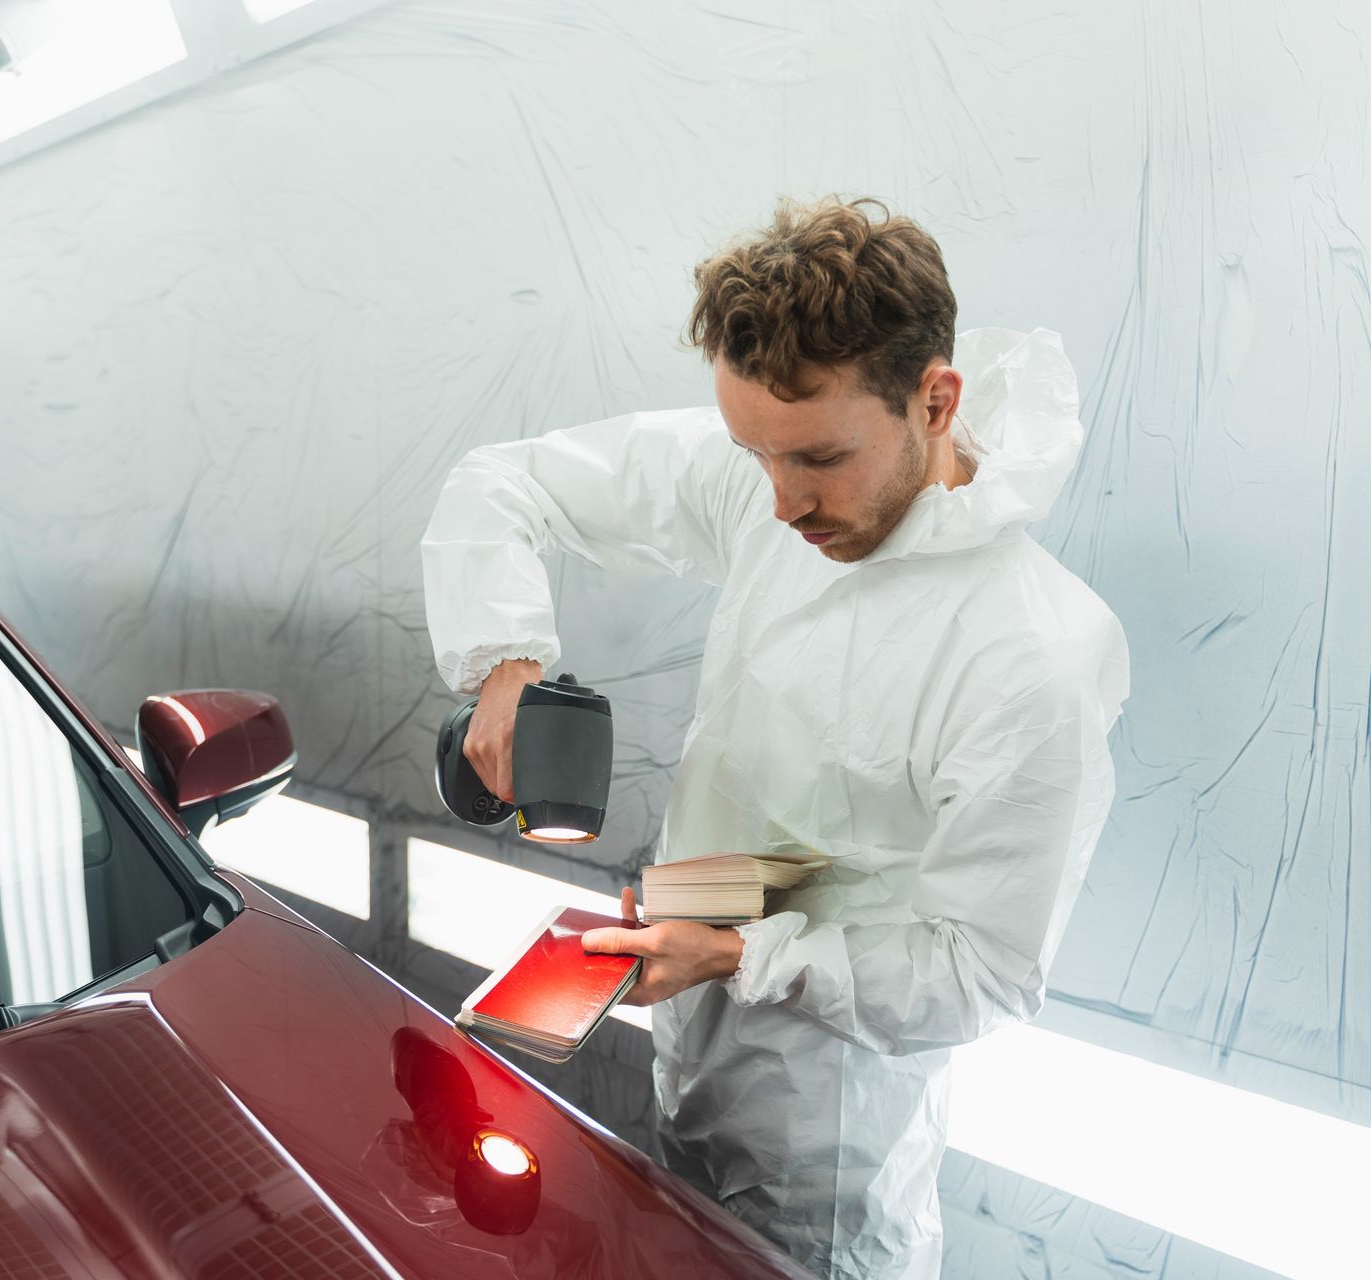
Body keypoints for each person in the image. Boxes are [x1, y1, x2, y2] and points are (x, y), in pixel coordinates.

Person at [420, 196, 1129, 1278]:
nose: (783, 503)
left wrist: (744, 953)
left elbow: (980, 971)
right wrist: (503, 661)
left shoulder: (1033, 651)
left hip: (832, 1161)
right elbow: (502, 482)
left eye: (817, 459)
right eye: (756, 454)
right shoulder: (769, 480)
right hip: (692, 1048)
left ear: (936, 399)